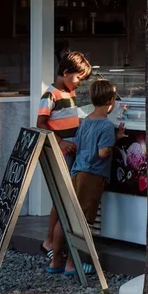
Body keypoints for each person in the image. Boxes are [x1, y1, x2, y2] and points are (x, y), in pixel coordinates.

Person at [48, 79, 124, 275]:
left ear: (91, 98)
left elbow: (80, 146)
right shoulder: (106, 126)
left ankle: (55, 261)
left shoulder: (85, 121)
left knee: (67, 218)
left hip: (76, 172)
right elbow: (102, 153)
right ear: (112, 101)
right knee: (82, 222)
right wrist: (113, 142)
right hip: (92, 177)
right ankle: (73, 263)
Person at [38, 51, 92, 261]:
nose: (79, 83)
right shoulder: (50, 95)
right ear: (67, 72)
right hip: (60, 153)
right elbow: (41, 124)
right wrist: (60, 141)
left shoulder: (70, 94)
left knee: (63, 199)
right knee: (59, 199)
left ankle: (54, 240)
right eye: (78, 77)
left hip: (71, 152)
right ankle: (49, 240)